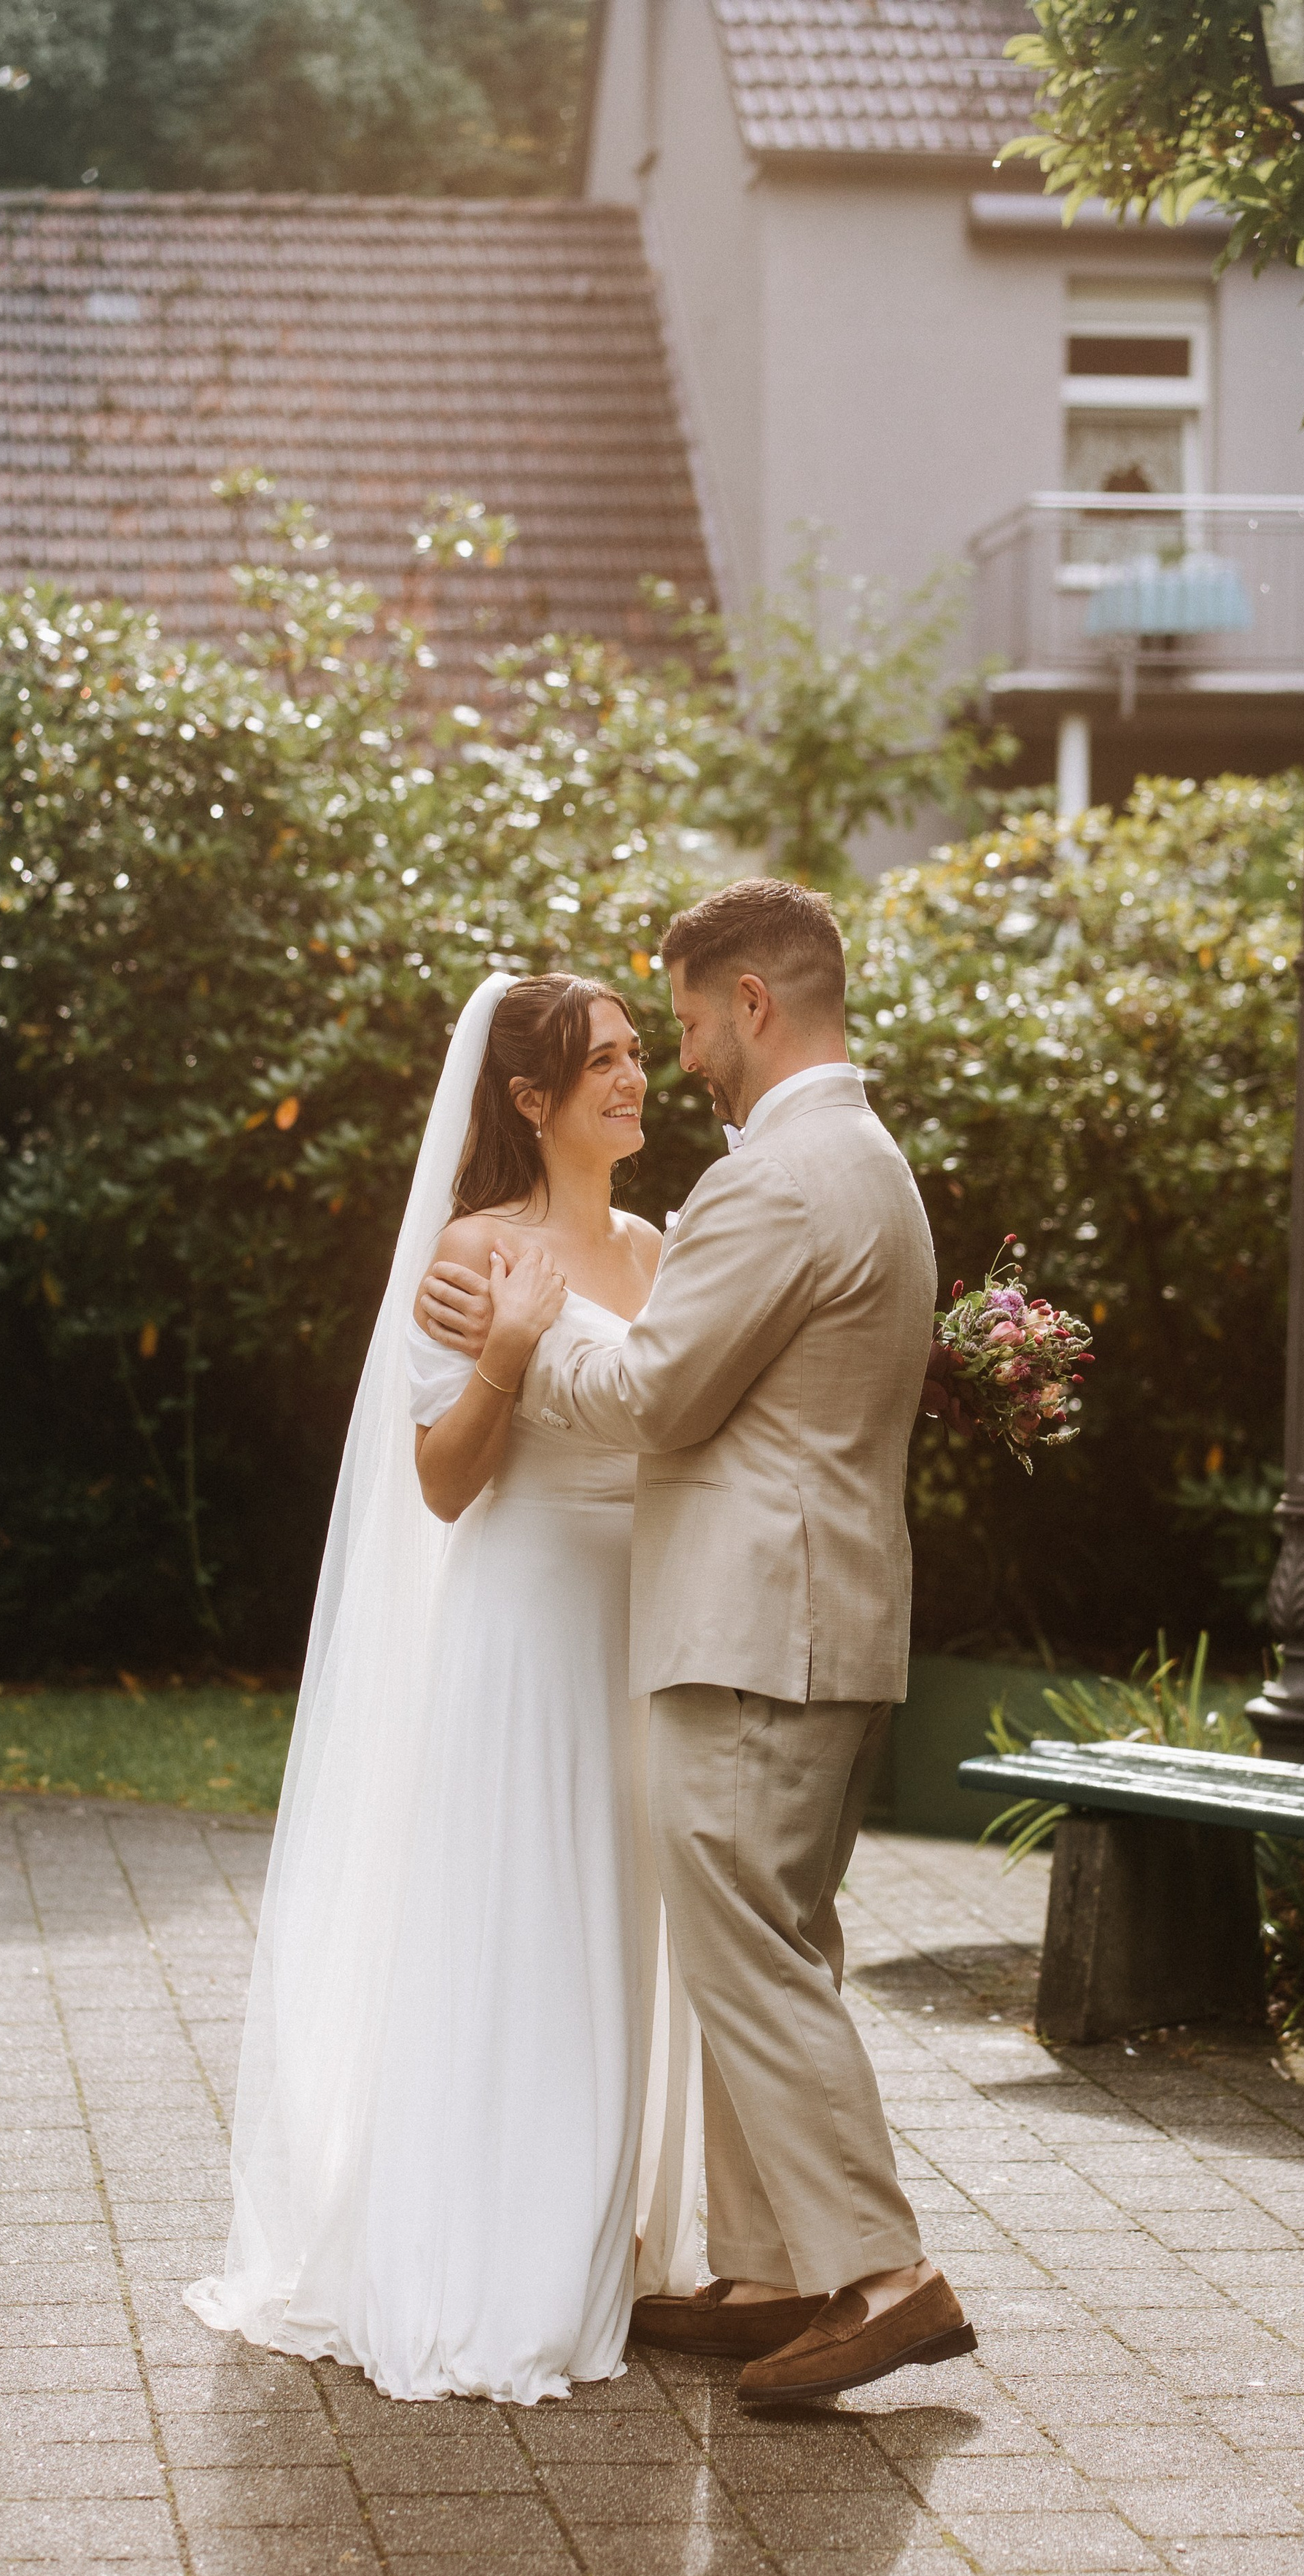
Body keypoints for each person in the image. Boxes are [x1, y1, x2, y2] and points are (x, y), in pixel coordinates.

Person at [419, 881, 974, 2407]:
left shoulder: (773, 1182)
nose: (677, 1060)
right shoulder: (861, 1159)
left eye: (679, 1025)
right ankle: (778, 2268)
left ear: (751, 1003)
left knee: (751, 1947)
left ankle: (882, 2275)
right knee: (769, 1933)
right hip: (811, 1617)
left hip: (755, 1628)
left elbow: (657, 1396)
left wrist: (516, 1338)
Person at [185, 971, 700, 2403]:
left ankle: (600, 2228)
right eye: (599, 1062)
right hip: (525, 1624)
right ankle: (492, 2255)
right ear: (528, 1101)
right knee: (522, 1925)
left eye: (635, 1054)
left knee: (616, 1930)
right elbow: (441, 1480)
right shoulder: (473, 1256)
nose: (631, 1077)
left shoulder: (661, 1250)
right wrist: (516, 1350)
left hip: (640, 1634)